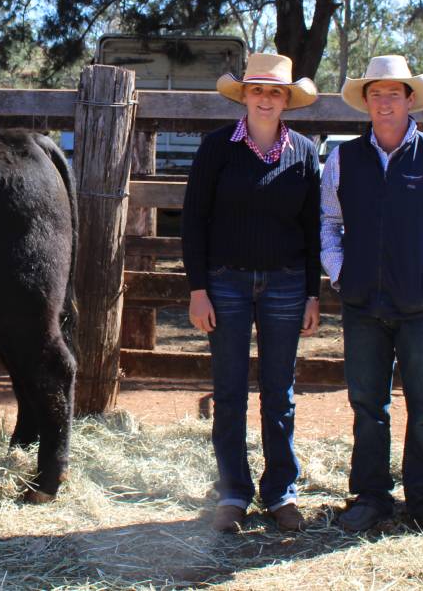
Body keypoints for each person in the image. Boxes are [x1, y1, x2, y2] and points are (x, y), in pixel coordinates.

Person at [321, 55, 423, 541]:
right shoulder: (344, 159)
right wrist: (340, 271)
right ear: (365, 101)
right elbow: (328, 223)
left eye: (395, 93)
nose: (385, 101)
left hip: (421, 310)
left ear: (411, 100)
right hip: (363, 307)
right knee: (367, 404)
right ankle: (371, 497)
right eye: (377, 93)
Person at [183, 53, 322, 533]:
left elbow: (312, 227)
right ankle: (233, 493)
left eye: (275, 91)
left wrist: (312, 293)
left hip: (285, 283)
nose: (266, 98)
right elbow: (194, 221)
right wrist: (198, 289)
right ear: (244, 95)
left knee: (279, 393)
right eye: (258, 90)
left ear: (287, 100)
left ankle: (281, 491)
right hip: (226, 283)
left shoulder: (304, 152)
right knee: (229, 391)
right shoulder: (217, 148)